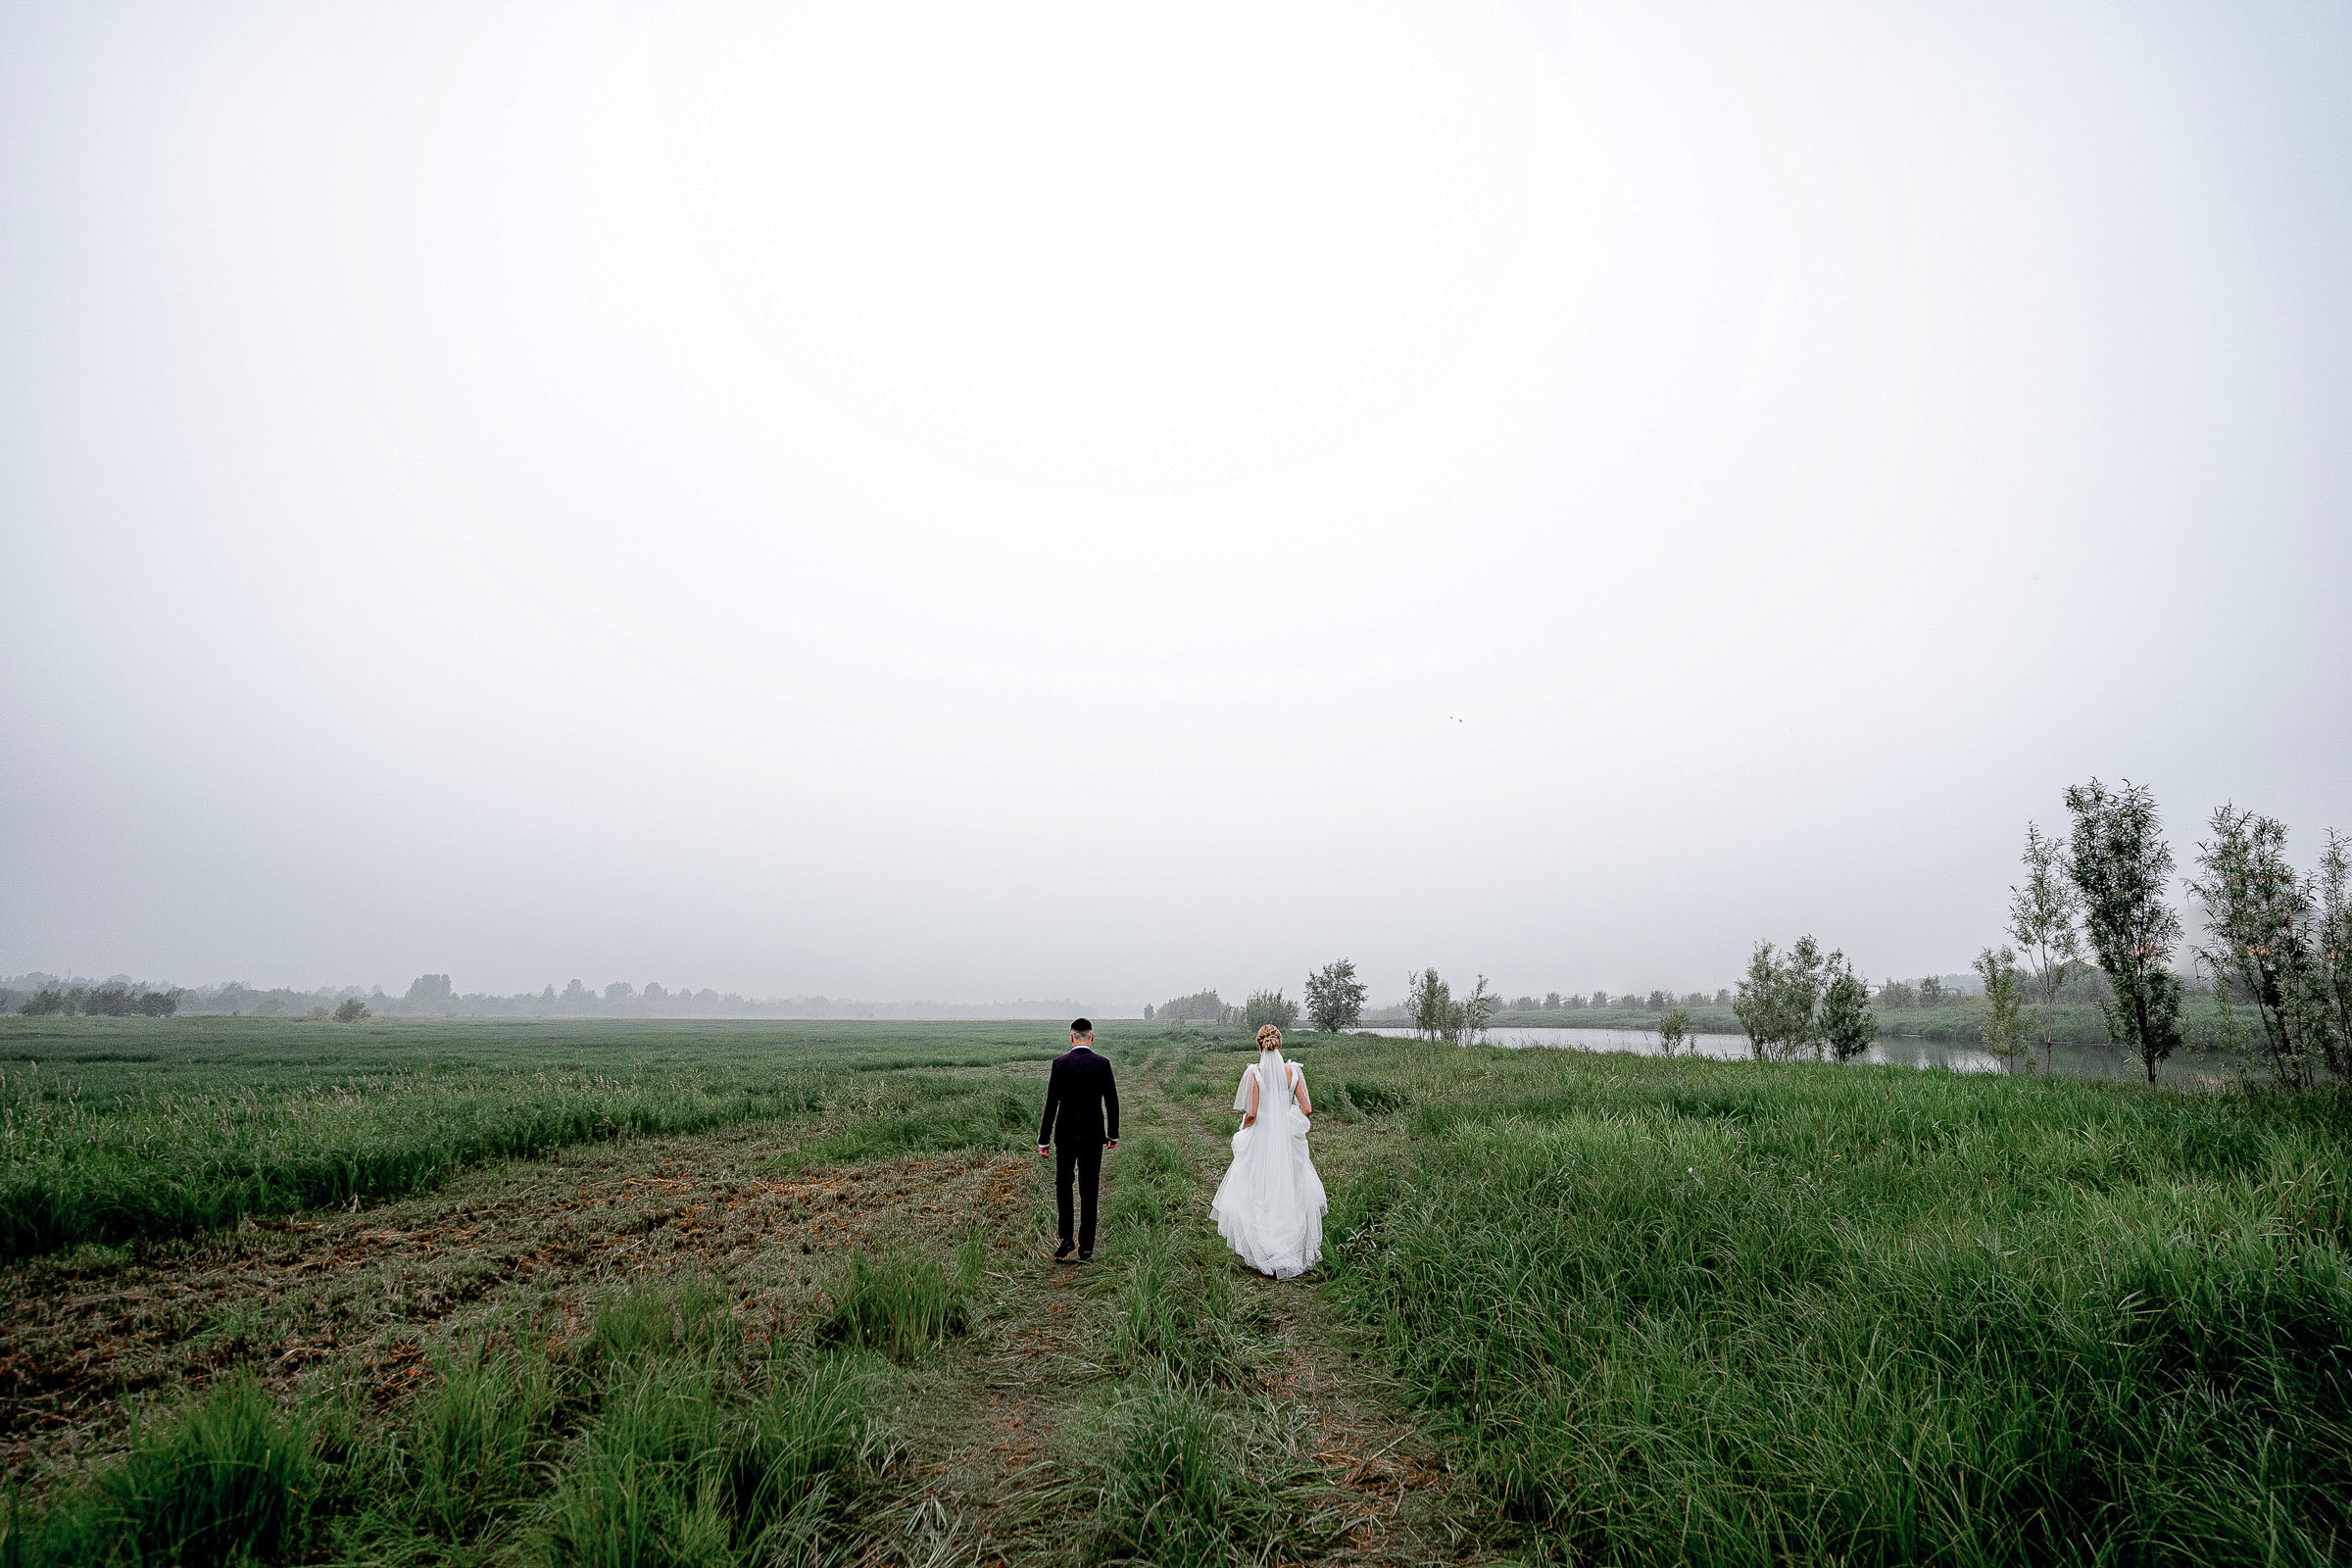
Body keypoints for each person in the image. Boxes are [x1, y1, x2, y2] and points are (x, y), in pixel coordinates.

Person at [1209, 1023, 1327, 1278]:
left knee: (1258, 1188)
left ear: (1258, 1043)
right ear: (1280, 1043)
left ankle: (1261, 1248)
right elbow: (1306, 1108)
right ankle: (1289, 1244)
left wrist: (1243, 1130)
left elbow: (1251, 1113)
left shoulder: (1254, 1073)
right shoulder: (1294, 1071)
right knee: (1289, 1188)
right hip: (1286, 1138)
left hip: (1262, 1137)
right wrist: (1289, 1117)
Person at [1037, 1016, 1119, 1261]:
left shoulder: (1059, 1064)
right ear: (1092, 1037)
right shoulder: (1102, 1064)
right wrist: (1112, 1133)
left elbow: (1051, 1104)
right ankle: (1087, 1247)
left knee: (1063, 1185)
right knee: (1089, 1189)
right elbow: (1112, 1102)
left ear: (1071, 1036)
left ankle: (1066, 1238)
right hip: (1094, 1136)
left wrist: (1044, 1139)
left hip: (1065, 1135)